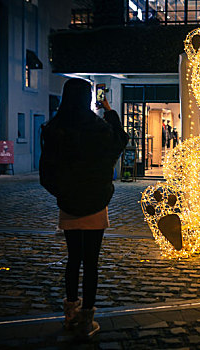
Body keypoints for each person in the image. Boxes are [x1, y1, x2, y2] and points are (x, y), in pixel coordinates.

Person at [39, 78, 128, 338]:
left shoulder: (54, 128)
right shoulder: (97, 127)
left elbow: (47, 173)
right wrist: (109, 111)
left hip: (69, 202)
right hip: (95, 202)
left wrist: (63, 193)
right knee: (91, 262)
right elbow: (119, 141)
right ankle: (87, 318)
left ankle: (70, 314)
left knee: (72, 259)